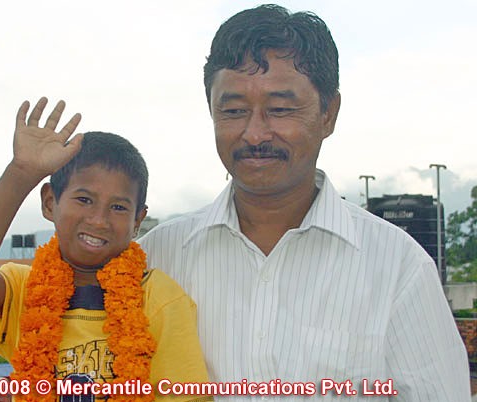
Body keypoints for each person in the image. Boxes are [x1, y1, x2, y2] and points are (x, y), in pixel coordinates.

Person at [138, 4, 470, 401]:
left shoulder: (398, 268)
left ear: (329, 114)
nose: (255, 134)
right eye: (234, 110)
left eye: (280, 109)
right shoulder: (154, 260)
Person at [0, 97, 211, 402]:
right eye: (84, 200)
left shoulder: (158, 297)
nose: (98, 220)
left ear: (138, 220)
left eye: (118, 207)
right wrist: (20, 173)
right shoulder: (25, 290)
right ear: (49, 202)